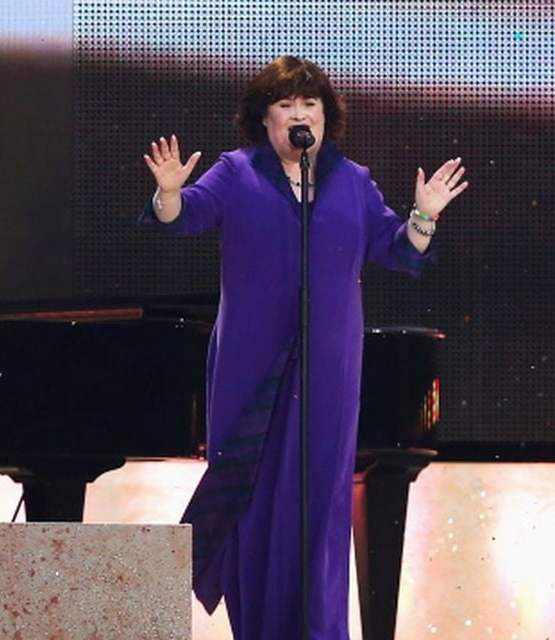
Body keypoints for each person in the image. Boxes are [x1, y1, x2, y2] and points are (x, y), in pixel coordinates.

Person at [141, 56, 468, 639]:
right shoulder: (236, 173)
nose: (300, 115)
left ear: (325, 117)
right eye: (286, 105)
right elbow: (184, 217)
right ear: (264, 120)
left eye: (310, 104)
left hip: (328, 372)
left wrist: (424, 215)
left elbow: (399, 249)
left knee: (318, 505)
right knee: (252, 500)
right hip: (249, 365)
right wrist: (169, 193)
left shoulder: (353, 181)